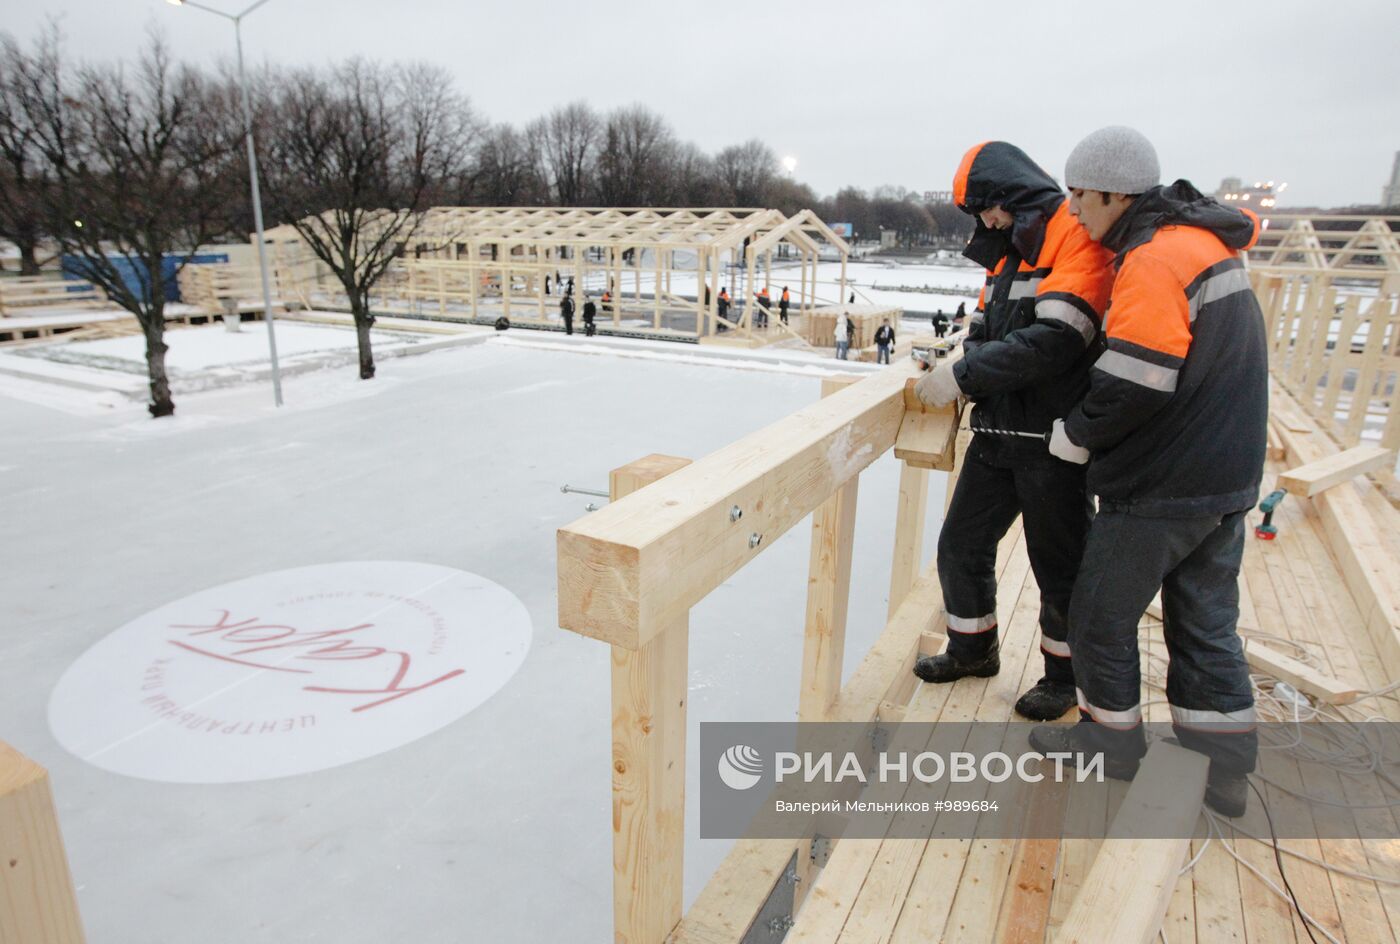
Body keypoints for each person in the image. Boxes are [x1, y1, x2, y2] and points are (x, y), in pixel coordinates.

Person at [1028, 127, 1266, 817]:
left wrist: (1075, 434)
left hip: (1165, 482)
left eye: (1079, 196)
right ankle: (1222, 775)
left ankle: (1111, 748)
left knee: (1098, 616)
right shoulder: (1201, 243)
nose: (1072, 211)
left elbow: (1136, 379)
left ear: (1114, 193)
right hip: (1225, 477)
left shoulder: (1154, 259)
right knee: (1204, 624)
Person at [911, 140, 1115, 721]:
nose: (985, 222)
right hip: (998, 434)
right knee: (960, 546)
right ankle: (973, 649)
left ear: (1014, 197)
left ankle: (1065, 678)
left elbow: (1058, 339)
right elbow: (981, 328)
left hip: (1053, 444)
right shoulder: (1006, 255)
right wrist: (965, 367)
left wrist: (967, 373)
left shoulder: (1074, 237)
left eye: (988, 209)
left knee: (1060, 569)